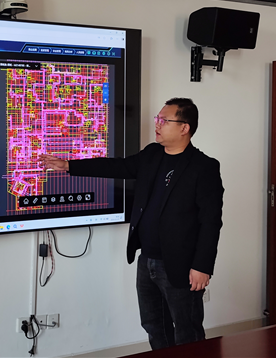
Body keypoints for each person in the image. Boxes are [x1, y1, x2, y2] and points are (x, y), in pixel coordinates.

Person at [39, 97, 224, 350]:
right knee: (154, 325)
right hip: (147, 261)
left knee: (187, 331)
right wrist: (69, 165)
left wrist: (202, 266)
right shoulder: (152, 154)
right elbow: (117, 166)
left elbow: (211, 221)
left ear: (184, 128)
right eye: (157, 118)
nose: (157, 124)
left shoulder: (204, 167)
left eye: (164, 120)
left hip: (181, 265)